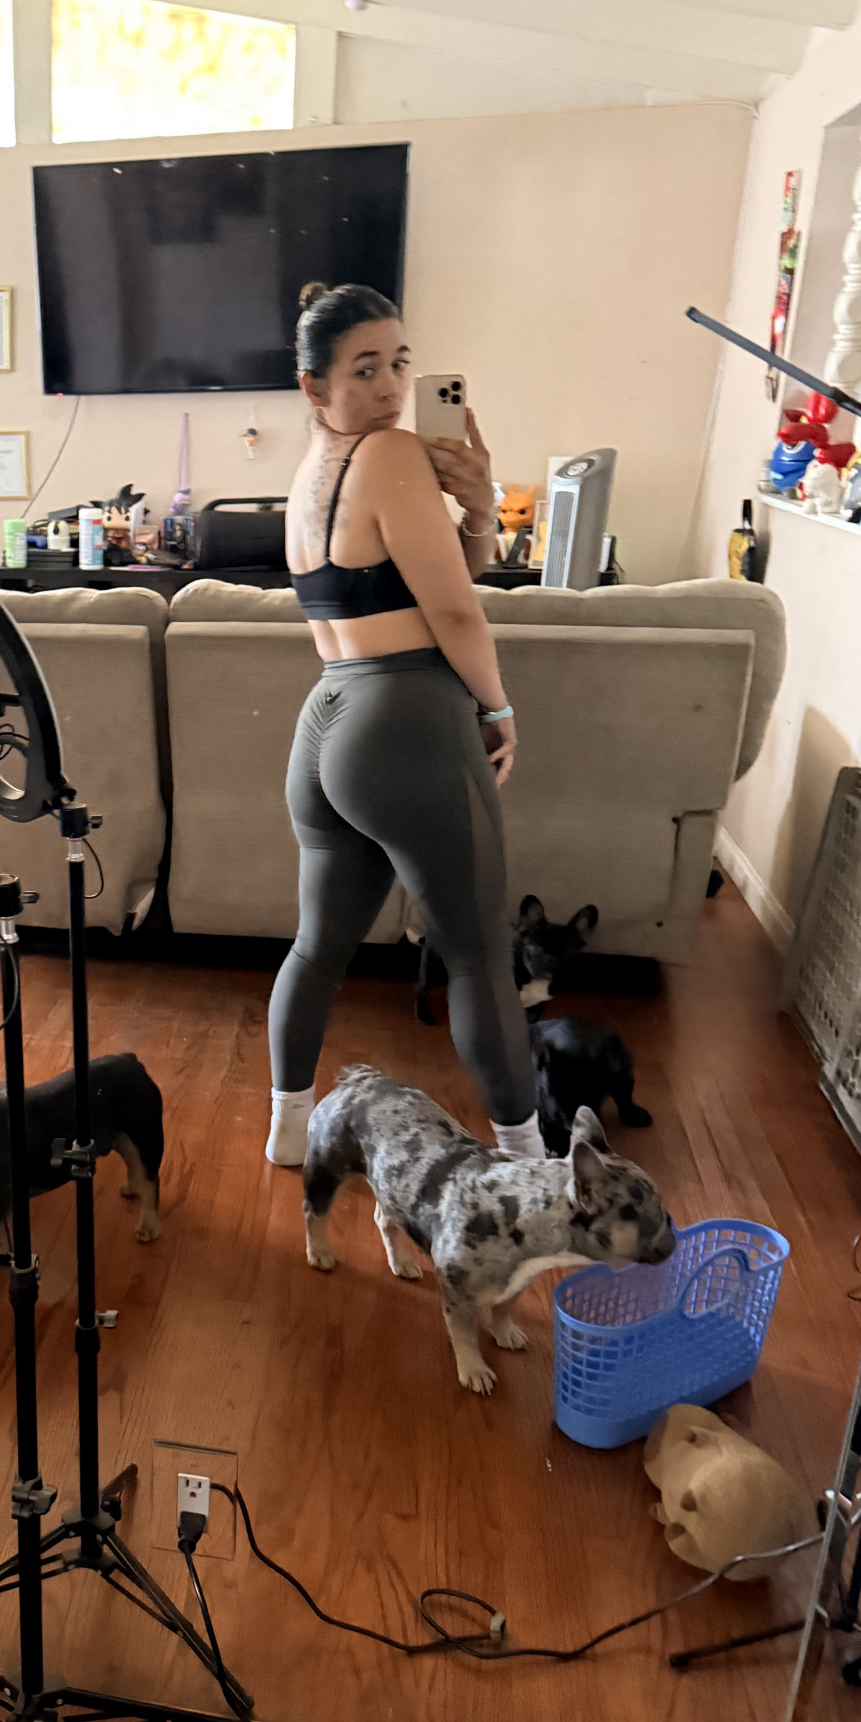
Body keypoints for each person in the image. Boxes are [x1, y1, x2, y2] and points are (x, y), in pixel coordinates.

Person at [265, 282, 543, 1167]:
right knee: (478, 955)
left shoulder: (311, 473)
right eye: (364, 369)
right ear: (314, 385)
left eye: (399, 364)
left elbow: (441, 575)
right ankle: (529, 1164)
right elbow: (456, 613)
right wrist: (498, 708)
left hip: (328, 721)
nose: (389, 388)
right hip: (406, 720)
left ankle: (287, 1129)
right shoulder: (389, 454)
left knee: (318, 947)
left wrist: (480, 510)